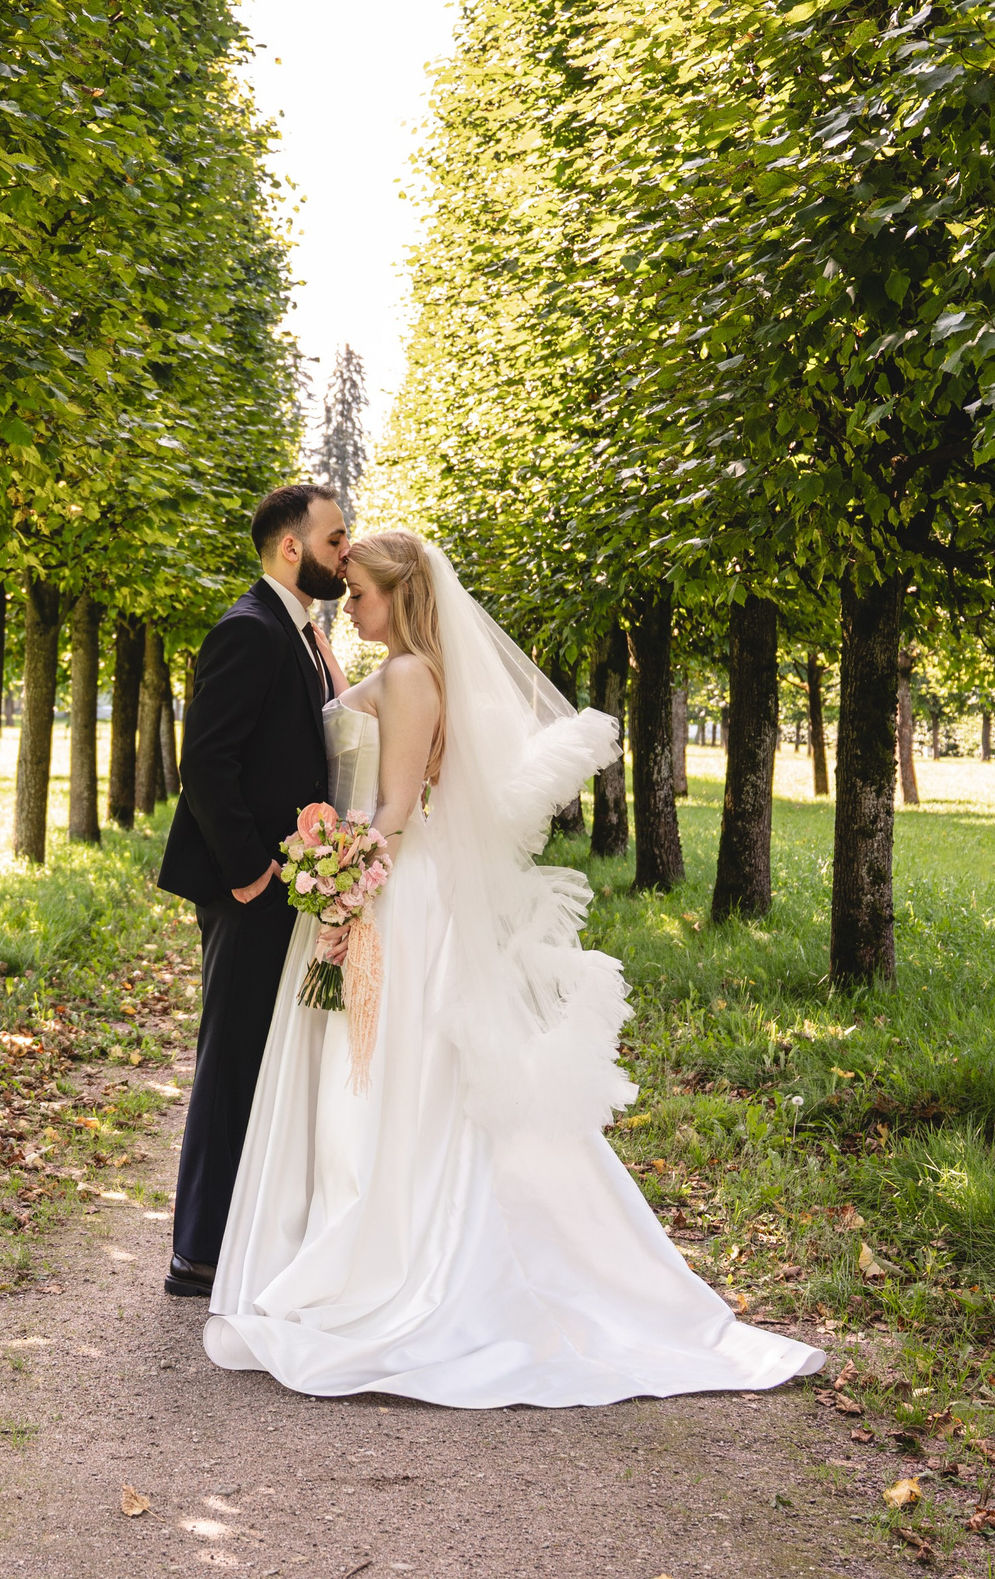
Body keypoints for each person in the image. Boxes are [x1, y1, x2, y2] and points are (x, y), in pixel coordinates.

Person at [201, 530, 826, 1405]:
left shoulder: (415, 674)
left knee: (394, 1073)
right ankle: (349, 1234)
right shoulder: (392, 666)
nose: (354, 604)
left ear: (402, 596)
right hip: (372, 887)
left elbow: (399, 807)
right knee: (367, 1073)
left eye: (366, 592)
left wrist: (341, 881)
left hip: (395, 893)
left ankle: (402, 1253)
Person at [155, 483, 350, 1300]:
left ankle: (240, 1235)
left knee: (261, 1057)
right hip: (252, 888)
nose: (347, 551)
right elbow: (205, 761)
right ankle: (198, 1250)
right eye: (336, 539)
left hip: (287, 886)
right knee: (232, 1057)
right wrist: (248, 872)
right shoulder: (248, 629)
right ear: (291, 548)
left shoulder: (299, 632)